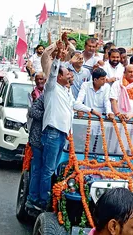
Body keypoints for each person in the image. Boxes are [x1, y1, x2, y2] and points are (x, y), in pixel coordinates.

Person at [27, 41, 92, 211]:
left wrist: (92, 110)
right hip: (52, 134)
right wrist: (58, 59)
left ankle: (38, 198)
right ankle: (42, 201)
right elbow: (54, 73)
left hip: (61, 134)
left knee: (48, 170)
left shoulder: (66, 91)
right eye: (67, 75)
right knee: (46, 171)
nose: (70, 77)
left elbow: (74, 106)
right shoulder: (52, 88)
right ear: (59, 77)